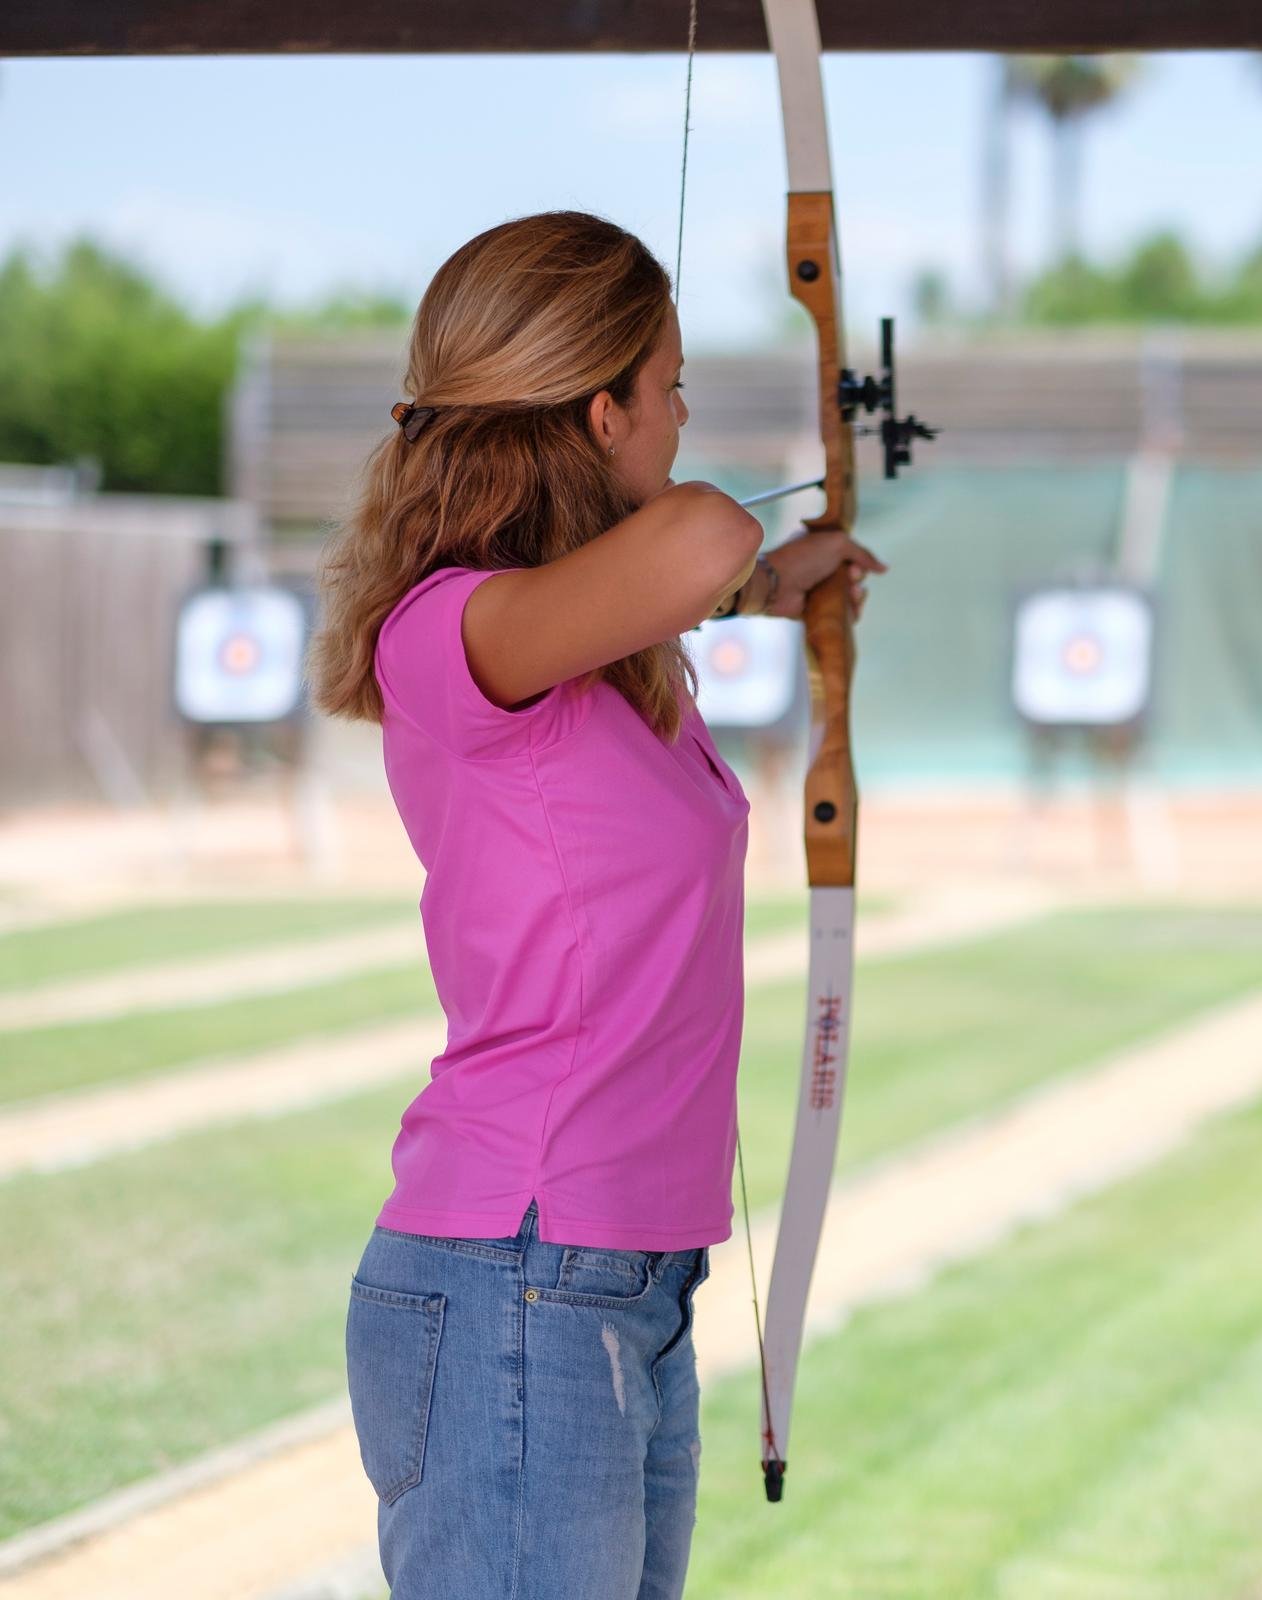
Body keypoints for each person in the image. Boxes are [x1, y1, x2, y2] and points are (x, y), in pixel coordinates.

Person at [308, 209, 884, 1599]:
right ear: (602, 408)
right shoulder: (450, 629)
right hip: (519, 1274)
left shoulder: (597, 666)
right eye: (671, 385)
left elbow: (677, 571)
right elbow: (689, 539)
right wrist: (741, 571)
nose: (686, 418)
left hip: (624, 1280)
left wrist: (773, 585)